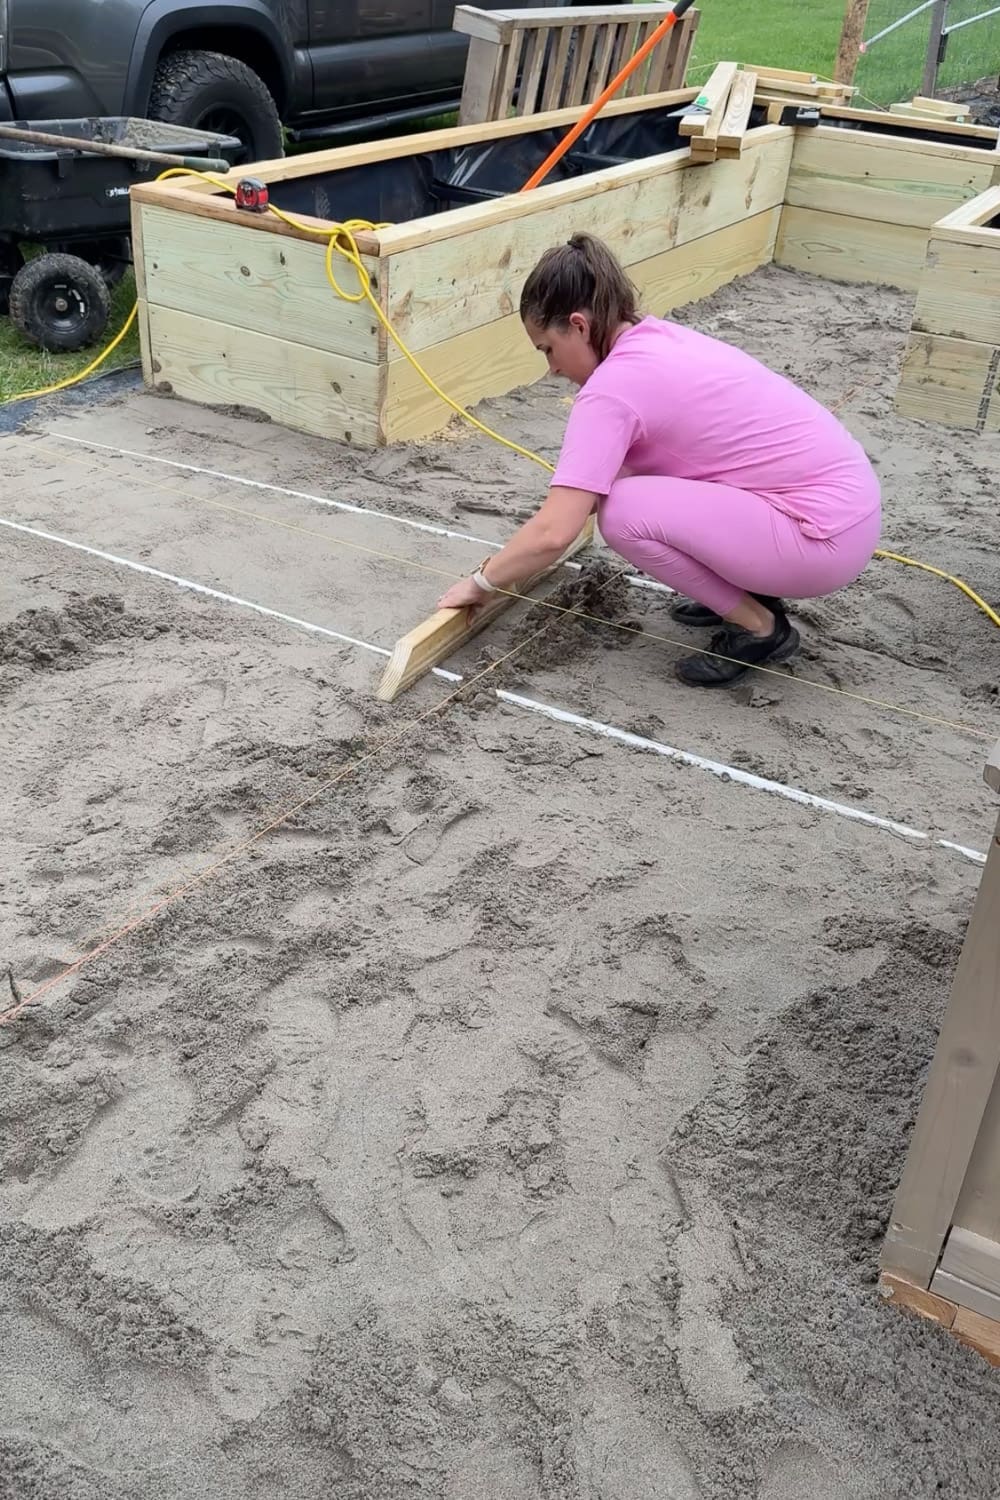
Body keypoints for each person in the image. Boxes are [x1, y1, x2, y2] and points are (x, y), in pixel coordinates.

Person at [436, 232, 882, 687]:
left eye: (547, 348)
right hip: (848, 512)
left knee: (624, 512)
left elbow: (556, 533)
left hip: (818, 541)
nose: (550, 367)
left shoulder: (611, 391)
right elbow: (591, 488)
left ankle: (761, 627)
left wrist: (482, 583)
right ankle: (745, 588)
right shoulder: (658, 337)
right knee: (637, 489)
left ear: (579, 325)